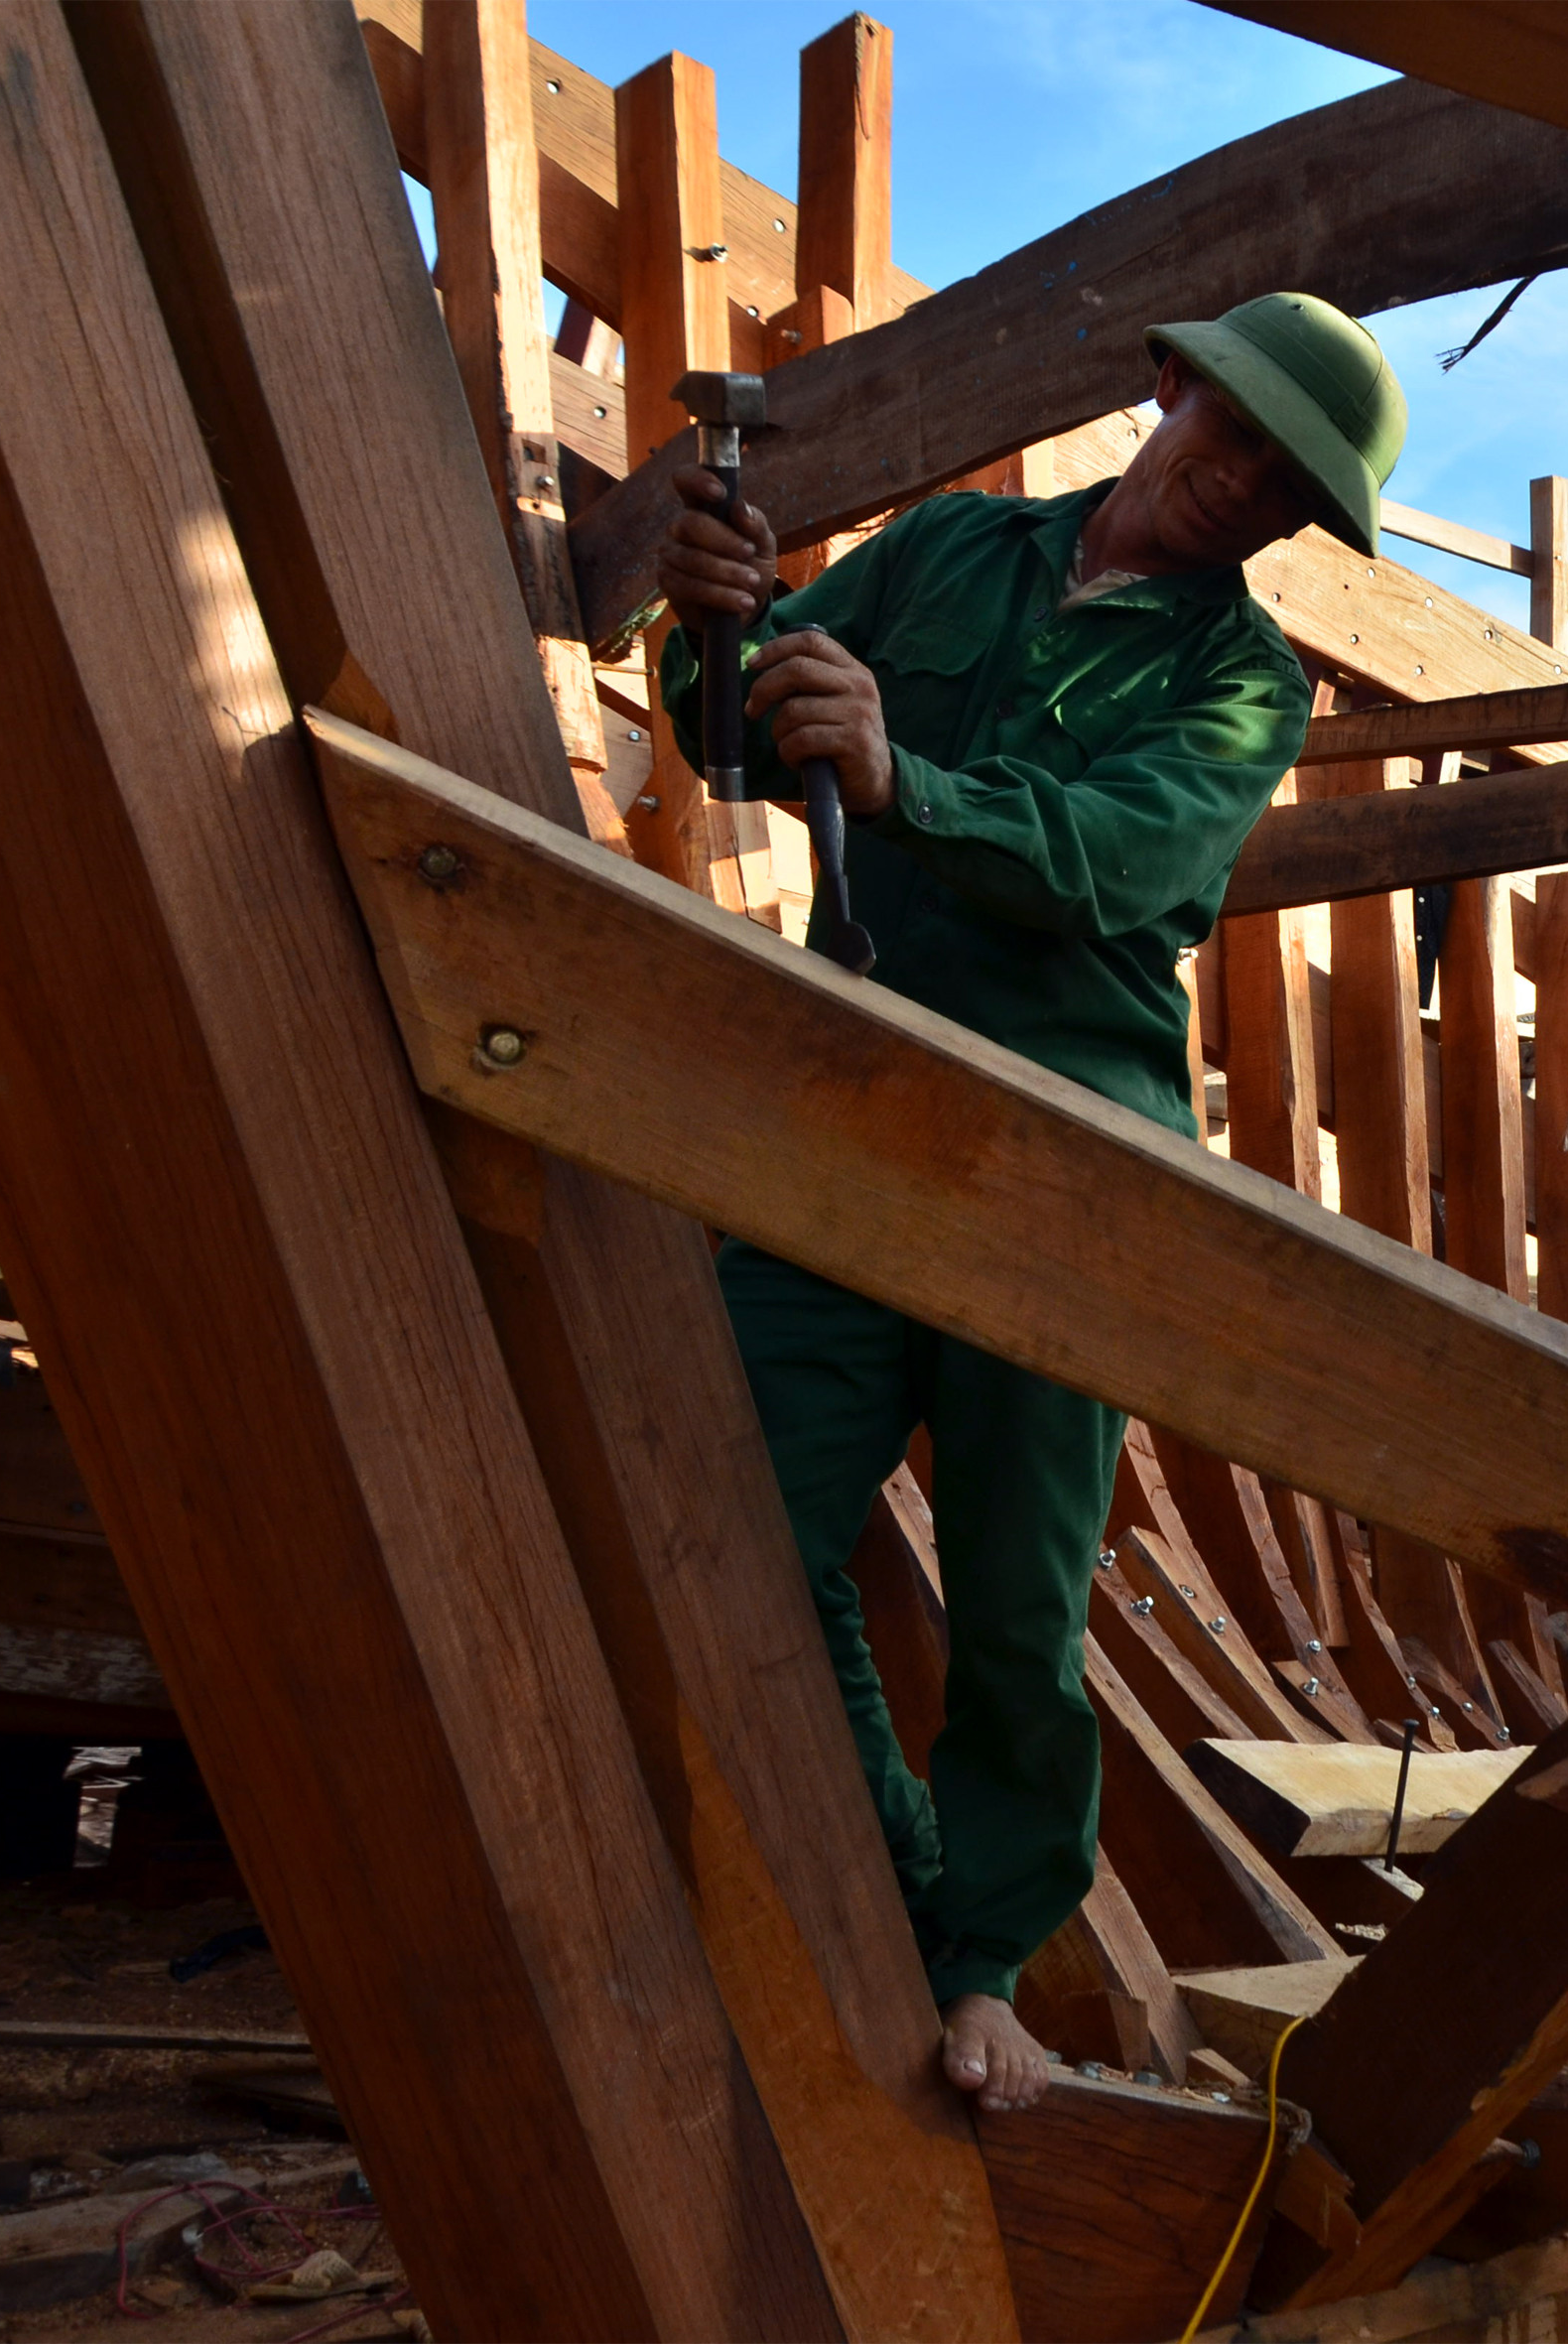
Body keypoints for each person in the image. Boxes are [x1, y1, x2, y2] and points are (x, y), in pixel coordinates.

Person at [651, 291, 1404, 2114]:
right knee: (732, 1504)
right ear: (1165, 387)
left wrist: (904, 771)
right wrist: (720, 631)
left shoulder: (1246, 682)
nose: (1238, 493)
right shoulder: (952, 550)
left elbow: (1116, 866)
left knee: (1015, 1596)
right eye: (1229, 439)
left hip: (1072, 1161)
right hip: (857, 1113)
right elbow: (739, 735)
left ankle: (978, 1969)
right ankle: (929, 1906)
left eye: (1285, 492)